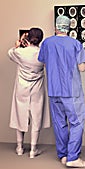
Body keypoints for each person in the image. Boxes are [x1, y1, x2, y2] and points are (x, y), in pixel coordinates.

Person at [38, 15, 85, 168]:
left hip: (54, 90)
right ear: (69, 27)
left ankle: (64, 155)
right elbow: (82, 68)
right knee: (76, 122)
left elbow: (44, 63)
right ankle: (73, 156)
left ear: (56, 27)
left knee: (59, 123)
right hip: (71, 91)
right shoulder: (75, 43)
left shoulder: (47, 43)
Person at [8, 27, 50, 158]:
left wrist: (18, 44)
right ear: (40, 39)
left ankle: (20, 147)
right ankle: (33, 150)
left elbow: (10, 53)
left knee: (20, 115)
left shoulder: (20, 52)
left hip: (21, 89)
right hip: (37, 89)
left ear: (28, 38)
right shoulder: (42, 54)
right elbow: (46, 65)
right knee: (36, 118)